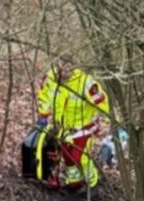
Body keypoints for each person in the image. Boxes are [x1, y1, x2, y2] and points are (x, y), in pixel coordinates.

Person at [34, 59, 110, 190]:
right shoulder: (50, 78)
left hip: (84, 127)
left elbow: (102, 102)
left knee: (80, 157)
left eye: (68, 67)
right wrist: (43, 114)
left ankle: (93, 185)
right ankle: (74, 183)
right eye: (60, 66)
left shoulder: (85, 83)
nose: (63, 71)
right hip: (64, 127)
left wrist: (107, 121)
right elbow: (44, 95)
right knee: (67, 156)